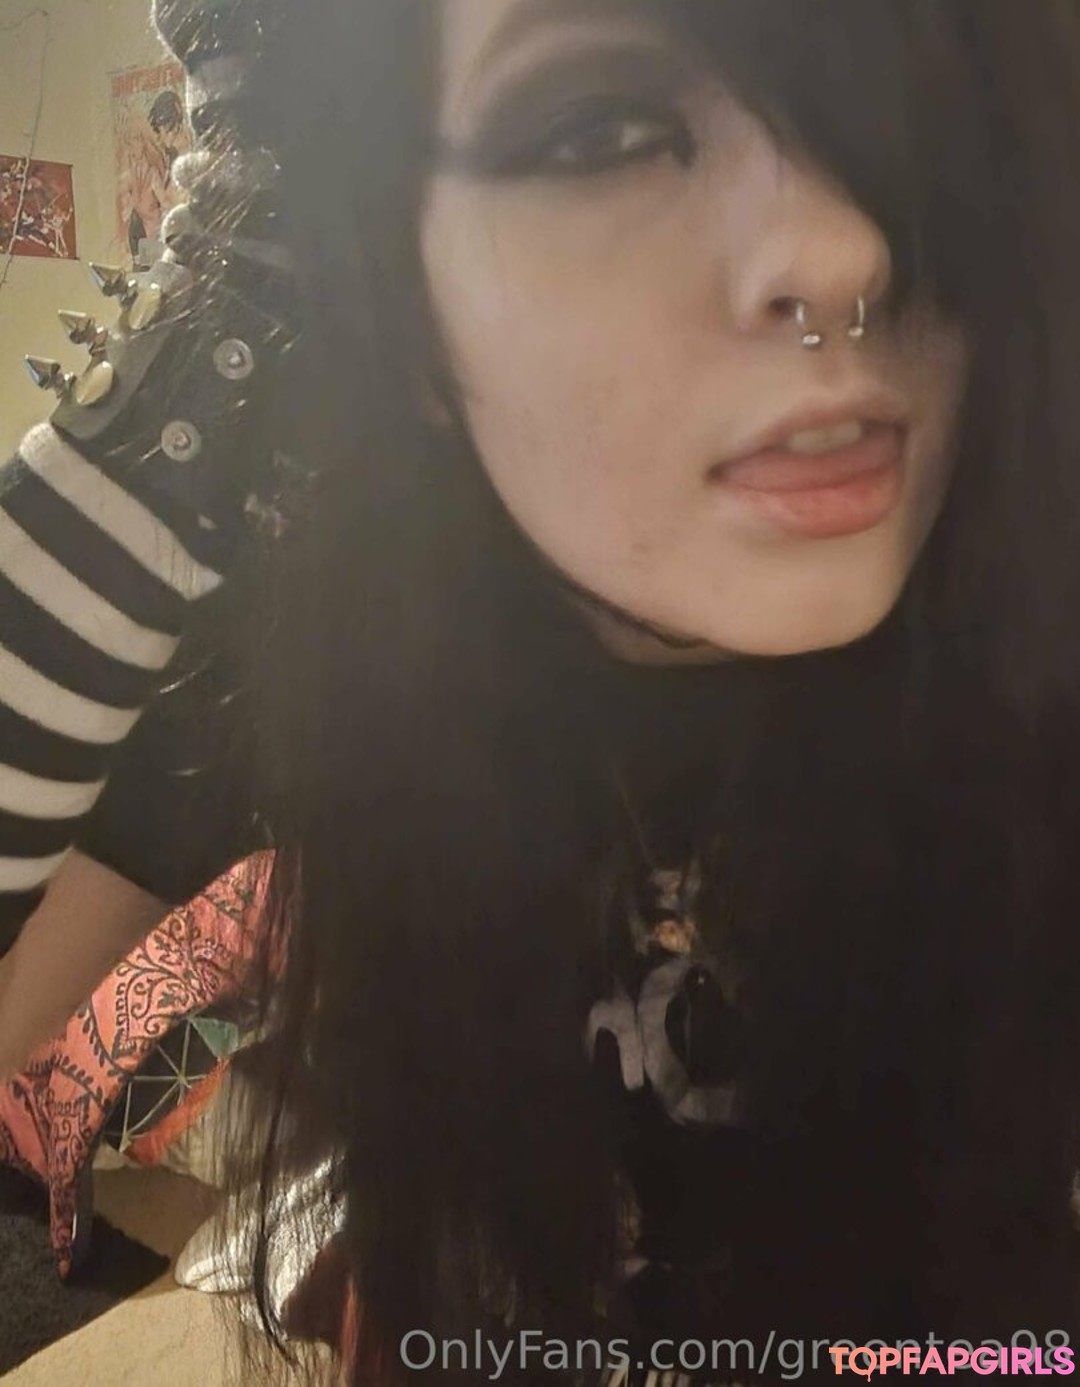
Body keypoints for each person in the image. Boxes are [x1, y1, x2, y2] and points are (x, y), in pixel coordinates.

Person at [6, 0, 1080, 1381]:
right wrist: (164, 421)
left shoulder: (1031, 693)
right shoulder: (342, 691)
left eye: (913, 124)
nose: (847, 253)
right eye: (602, 129)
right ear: (396, 308)